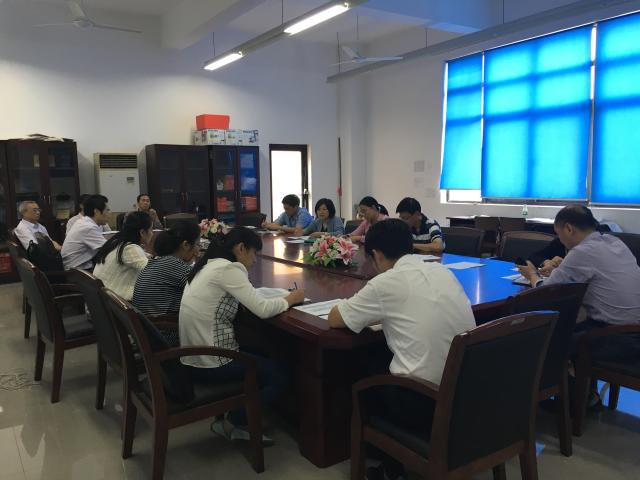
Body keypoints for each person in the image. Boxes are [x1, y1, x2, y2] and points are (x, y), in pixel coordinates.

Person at [328, 219, 475, 480]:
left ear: (377, 254)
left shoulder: (386, 282)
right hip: (469, 392)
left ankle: (388, 465)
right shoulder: (441, 271)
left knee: (360, 366)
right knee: (381, 355)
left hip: (425, 403)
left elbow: (335, 319)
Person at [179, 227, 305, 443]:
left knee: (266, 350)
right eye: (254, 253)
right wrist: (291, 299)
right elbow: (263, 309)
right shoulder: (229, 269)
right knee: (280, 375)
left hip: (194, 355)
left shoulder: (210, 264)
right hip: (212, 361)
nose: (255, 260)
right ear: (241, 248)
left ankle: (253, 408)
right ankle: (232, 422)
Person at [518, 205, 640, 326]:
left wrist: (532, 274)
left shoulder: (583, 251)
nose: (560, 239)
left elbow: (545, 291)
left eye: (559, 234)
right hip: (634, 324)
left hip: (614, 330)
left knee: (552, 325)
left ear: (568, 229)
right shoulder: (615, 241)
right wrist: (560, 270)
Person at [132, 221, 200, 316]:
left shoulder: (157, 261)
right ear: (186, 245)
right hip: (163, 324)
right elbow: (202, 286)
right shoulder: (173, 265)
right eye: (198, 245)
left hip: (148, 322)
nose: (198, 251)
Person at [93, 212, 152, 301]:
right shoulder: (129, 248)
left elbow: (143, 257)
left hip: (102, 301)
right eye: (151, 229)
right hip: (117, 303)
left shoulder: (116, 241)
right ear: (142, 232)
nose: (152, 233)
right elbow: (153, 272)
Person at [61, 195, 110, 270]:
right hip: (76, 272)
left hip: (81, 267)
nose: (109, 214)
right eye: (107, 210)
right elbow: (108, 248)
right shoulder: (88, 227)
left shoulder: (84, 222)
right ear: (96, 211)